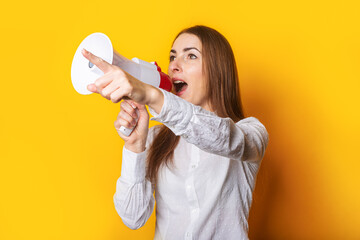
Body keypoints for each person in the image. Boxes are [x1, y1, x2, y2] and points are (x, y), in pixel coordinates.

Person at [82, 25, 269, 240]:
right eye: (172, 57)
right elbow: (133, 218)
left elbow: (223, 138)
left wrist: (153, 97)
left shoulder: (251, 132)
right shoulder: (154, 139)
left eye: (190, 56)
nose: (174, 66)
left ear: (218, 69)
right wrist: (134, 146)